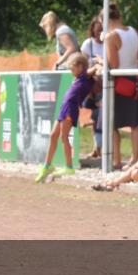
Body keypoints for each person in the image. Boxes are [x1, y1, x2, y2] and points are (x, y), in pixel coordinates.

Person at [103, 3, 138, 169]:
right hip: (136, 78)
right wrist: (130, 55)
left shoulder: (110, 37)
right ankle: (135, 159)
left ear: (105, 20)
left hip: (120, 80)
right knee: (135, 122)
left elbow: (114, 64)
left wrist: (102, 62)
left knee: (112, 122)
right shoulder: (133, 31)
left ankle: (116, 159)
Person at [35, 52, 92, 183]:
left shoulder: (85, 77)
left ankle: (69, 166)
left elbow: (92, 71)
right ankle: (47, 165)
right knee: (53, 135)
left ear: (81, 66)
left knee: (64, 137)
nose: (71, 71)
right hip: (64, 107)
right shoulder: (79, 77)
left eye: (73, 68)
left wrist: (97, 65)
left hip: (70, 108)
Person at [80, 16, 104, 159]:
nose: (98, 34)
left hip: (105, 84)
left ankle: (104, 149)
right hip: (92, 85)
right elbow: (82, 64)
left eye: (101, 30)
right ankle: (97, 148)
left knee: (101, 117)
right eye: (96, 31)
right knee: (95, 117)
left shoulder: (110, 42)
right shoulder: (87, 44)